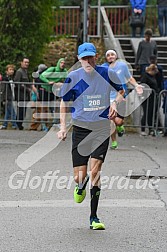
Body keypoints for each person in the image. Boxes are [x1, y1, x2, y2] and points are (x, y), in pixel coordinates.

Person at [57, 42, 136, 230]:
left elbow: (122, 91)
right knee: (80, 176)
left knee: (96, 171)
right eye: (84, 58)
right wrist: (62, 127)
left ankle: (94, 217)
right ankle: (80, 186)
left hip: (101, 128)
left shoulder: (108, 73)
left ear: (96, 56)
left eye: (90, 57)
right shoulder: (73, 77)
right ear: (79, 59)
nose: (88, 61)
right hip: (81, 129)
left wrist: (114, 103)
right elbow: (64, 103)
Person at [102, 49, 143, 149]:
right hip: (108, 98)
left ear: (116, 56)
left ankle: (120, 127)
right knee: (110, 120)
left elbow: (129, 78)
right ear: (106, 58)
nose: (110, 56)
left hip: (121, 97)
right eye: (108, 55)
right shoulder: (103, 68)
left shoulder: (122, 66)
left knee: (118, 121)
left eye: (112, 54)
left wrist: (136, 85)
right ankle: (114, 142)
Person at [39, 58, 68, 128]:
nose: (62, 64)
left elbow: (68, 79)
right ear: (58, 63)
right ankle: (43, 126)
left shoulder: (64, 71)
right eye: (61, 63)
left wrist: (62, 84)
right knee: (44, 108)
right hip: (45, 90)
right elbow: (42, 76)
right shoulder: (52, 69)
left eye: (64, 63)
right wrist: (48, 82)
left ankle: (54, 124)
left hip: (53, 91)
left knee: (55, 108)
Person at [140, 64, 159, 135]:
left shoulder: (153, 77)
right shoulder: (145, 76)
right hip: (147, 97)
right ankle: (143, 129)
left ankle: (151, 128)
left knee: (151, 113)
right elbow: (143, 85)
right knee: (146, 113)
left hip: (153, 97)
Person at [14, 57, 31, 130]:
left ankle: (20, 124)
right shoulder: (19, 72)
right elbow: (17, 83)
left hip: (25, 95)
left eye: (27, 62)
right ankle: (18, 124)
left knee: (24, 110)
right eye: (25, 62)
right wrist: (26, 88)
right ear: (21, 63)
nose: (26, 64)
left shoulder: (26, 72)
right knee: (20, 110)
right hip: (20, 94)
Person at [29, 64, 48, 131]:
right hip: (40, 95)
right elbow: (34, 85)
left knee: (42, 111)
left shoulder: (37, 74)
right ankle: (36, 126)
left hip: (43, 95)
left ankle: (40, 126)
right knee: (40, 111)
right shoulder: (39, 75)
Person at [0, 64, 17, 130]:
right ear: (6, 71)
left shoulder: (11, 78)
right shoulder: (5, 79)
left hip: (11, 97)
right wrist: (4, 98)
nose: (12, 71)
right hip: (7, 97)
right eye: (10, 70)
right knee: (12, 112)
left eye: (12, 70)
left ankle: (5, 124)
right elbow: (4, 89)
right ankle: (14, 124)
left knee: (8, 112)